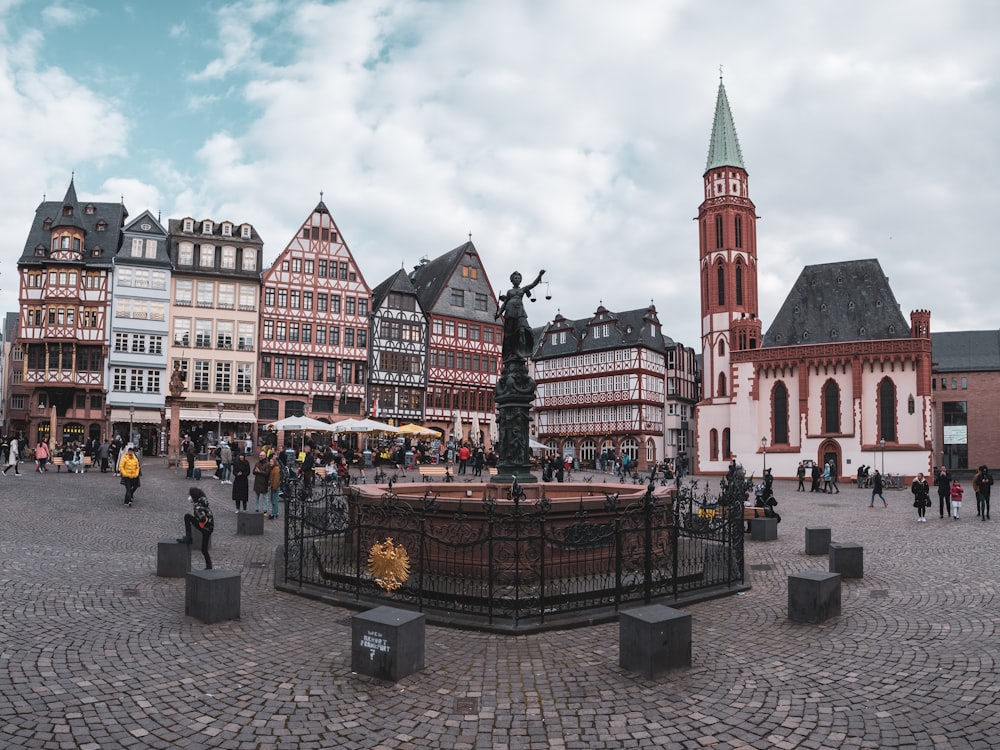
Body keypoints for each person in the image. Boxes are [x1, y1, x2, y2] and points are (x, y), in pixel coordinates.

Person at [495, 269, 545, 362]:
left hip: (520, 312)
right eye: (515, 278)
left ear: (520, 280)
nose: (517, 279)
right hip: (510, 312)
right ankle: (509, 353)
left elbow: (533, 284)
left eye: (518, 278)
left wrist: (540, 275)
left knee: (522, 330)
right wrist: (499, 314)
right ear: (512, 280)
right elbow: (505, 304)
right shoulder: (509, 292)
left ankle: (521, 352)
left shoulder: (523, 289)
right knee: (509, 334)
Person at [177, 487, 214, 570]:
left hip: (205, 527)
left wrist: (198, 517)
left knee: (187, 517)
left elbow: (203, 518)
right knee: (204, 549)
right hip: (209, 528)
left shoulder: (198, 506)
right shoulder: (203, 502)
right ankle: (209, 565)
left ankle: (188, 537)